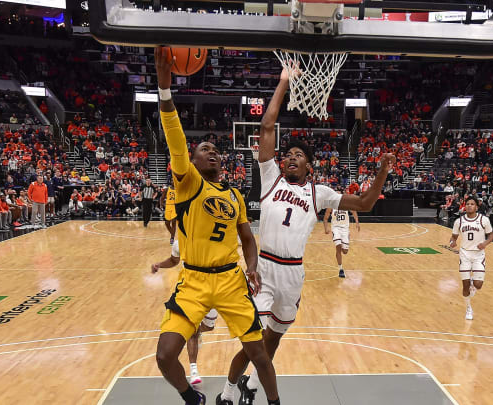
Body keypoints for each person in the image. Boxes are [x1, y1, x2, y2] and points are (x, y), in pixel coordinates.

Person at [235, 66, 395, 405]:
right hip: (264, 269)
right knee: (254, 337)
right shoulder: (271, 179)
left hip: (293, 273)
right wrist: (282, 82)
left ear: (309, 166)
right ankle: (234, 391)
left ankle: (248, 381)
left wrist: (381, 172)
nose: (291, 157)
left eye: (299, 155)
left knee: (274, 339)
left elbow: (365, 203)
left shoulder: (318, 192)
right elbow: (266, 126)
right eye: (288, 154)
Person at [154, 47, 280, 405]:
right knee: (165, 356)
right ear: (191, 163)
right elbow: (175, 140)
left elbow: (248, 239)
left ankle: (274, 403)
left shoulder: (236, 196)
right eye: (203, 149)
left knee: (259, 355)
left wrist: (252, 267)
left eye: (214, 149)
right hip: (193, 281)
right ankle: (192, 399)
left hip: (230, 281)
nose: (212, 152)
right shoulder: (188, 183)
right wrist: (165, 91)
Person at [152, 239, 219, 386]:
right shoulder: (180, 242)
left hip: (214, 288)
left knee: (209, 326)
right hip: (190, 291)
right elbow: (173, 260)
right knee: (192, 330)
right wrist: (160, 265)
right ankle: (193, 369)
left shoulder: (213, 238)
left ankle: (197, 330)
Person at [449, 196, 493, 320]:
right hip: (465, 254)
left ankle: (473, 285)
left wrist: (484, 244)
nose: (469, 206)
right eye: (467, 203)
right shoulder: (459, 221)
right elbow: (453, 237)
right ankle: (468, 308)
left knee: (478, 285)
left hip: (478, 254)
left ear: (476, 207)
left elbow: (491, 236)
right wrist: (452, 242)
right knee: (465, 285)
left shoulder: (483, 220)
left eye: (472, 204)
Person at [323, 207, 359, 278]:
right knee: (338, 246)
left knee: (345, 251)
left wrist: (357, 222)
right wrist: (326, 228)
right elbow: (325, 218)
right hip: (336, 228)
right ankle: (341, 269)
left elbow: (354, 211)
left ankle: (345, 241)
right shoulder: (331, 206)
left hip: (345, 229)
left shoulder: (345, 204)